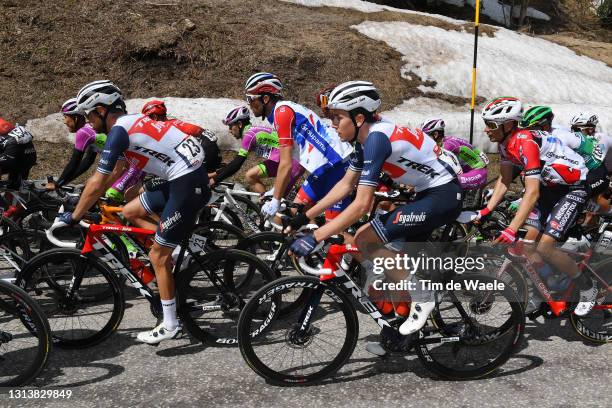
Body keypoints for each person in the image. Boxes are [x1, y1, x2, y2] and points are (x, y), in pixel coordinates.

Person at [288, 81, 462, 348]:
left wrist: (317, 236)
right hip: (427, 194)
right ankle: (398, 335)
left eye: (337, 117)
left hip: (442, 196)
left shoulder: (377, 140)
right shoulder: (364, 140)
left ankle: (423, 296)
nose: (333, 124)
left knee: (365, 238)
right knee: (389, 263)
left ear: (359, 118)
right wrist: (304, 215)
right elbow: (345, 184)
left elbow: (360, 205)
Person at [61, 80, 210, 344]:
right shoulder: (128, 125)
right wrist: (85, 199)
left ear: (101, 110)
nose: (87, 122)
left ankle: (170, 324)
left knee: (157, 256)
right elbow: (114, 173)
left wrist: (74, 216)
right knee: (130, 210)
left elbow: (98, 180)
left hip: (186, 183)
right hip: (181, 178)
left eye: (88, 115)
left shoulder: (120, 130)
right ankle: (174, 246)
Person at [478, 97, 597, 316]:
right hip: (551, 188)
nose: (486, 129)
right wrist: (485, 211)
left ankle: (587, 287)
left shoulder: (524, 141)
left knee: (545, 247)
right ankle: (549, 284)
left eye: (491, 124)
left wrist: (511, 228)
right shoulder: (505, 144)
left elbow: (532, 193)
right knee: (528, 244)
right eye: (486, 123)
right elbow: (504, 181)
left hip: (574, 188)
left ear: (508, 124)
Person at [244, 72, 354, 221]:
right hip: (323, 169)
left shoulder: (282, 113)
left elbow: (286, 163)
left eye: (250, 99)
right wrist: (277, 190)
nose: (249, 103)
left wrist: (276, 200)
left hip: (336, 166)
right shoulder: (282, 110)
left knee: (336, 231)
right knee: (294, 215)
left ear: (265, 98)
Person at [50, 98, 143, 203]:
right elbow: (87, 162)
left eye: (66, 116)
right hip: (132, 165)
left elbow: (74, 162)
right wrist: (64, 182)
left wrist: (58, 184)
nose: (64, 121)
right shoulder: (92, 130)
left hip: (133, 167)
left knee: (109, 198)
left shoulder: (84, 132)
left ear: (75, 117)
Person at [211, 106, 303, 194]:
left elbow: (237, 164)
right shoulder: (250, 132)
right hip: (280, 160)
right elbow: (235, 162)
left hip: (294, 162)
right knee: (250, 176)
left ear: (239, 124)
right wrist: (215, 175)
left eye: (230, 126)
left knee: (279, 201)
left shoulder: (249, 135)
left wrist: (215, 179)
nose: (229, 131)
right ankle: (265, 202)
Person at [141, 100, 222, 174]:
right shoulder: (172, 122)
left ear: (154, 117)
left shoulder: (164, 127)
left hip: (206, 151)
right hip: (211, 148)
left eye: (148, 119)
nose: (148, 123)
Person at [420, 117, 488, 190]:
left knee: (445, 182)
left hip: (478, 173)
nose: (424, 140)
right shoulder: (443, 142)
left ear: (435, 134)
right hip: (467, 170)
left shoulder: (447, 146)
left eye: (426, 136)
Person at [0, 118, 37, 189]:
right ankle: (16, 189)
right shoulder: (4, 124)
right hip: (30, 153)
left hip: (14, 149)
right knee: (15, 185)